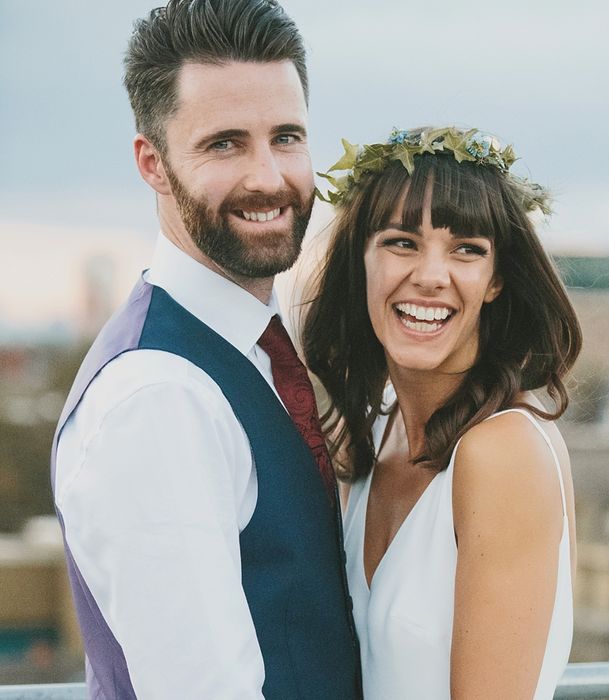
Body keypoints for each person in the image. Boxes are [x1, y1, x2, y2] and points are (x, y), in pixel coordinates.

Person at [50, 2, 360, 698]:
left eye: (286, 137)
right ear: (152, 164)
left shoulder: (264, 349)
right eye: (225, 144)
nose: (267, 177)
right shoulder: (160, 400)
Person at [303, 126, 582, 699]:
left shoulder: (501, 452)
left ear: (497, 279)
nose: (431, 276)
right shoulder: (375, 437)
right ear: (361, 262)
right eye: (402, 242)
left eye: (467, 250)